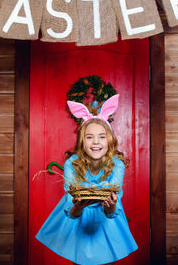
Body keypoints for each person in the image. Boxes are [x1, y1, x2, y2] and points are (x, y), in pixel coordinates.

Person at [36, 94, 137, 265]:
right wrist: (77, 206)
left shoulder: (116, 164)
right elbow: (71, 208)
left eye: (102, 137)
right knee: (80, 261)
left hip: (106, 223)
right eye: (90, 137)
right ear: (82, 141)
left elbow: (113, 208)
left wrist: (111, 204)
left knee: (107, 260)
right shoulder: (71, 164)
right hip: (79, 222)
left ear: (110, 140)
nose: (95, 142)